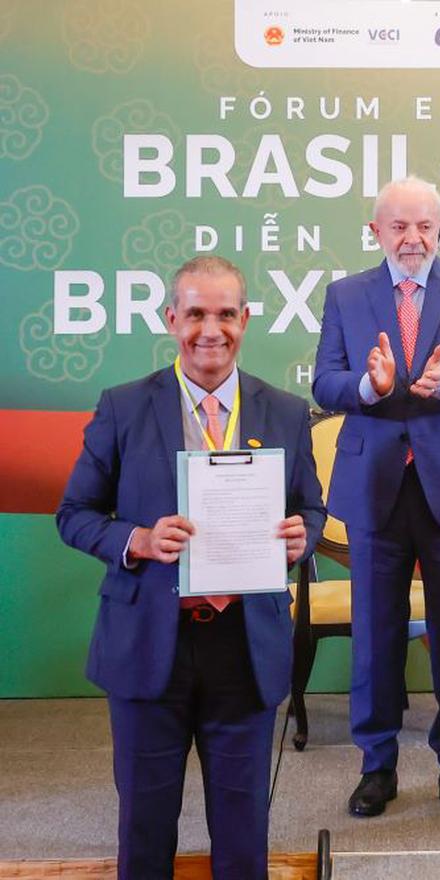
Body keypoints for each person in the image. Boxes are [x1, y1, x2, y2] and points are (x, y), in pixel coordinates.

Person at [56, 256, 325, 879]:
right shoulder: (123, 407)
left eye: (226, 314)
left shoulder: (286, 411)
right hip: (149, 643)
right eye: (196, 313)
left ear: (245, 319)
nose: (211, 330)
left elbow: (310, 507)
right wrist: (138, 539)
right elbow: (74, 514)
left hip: (245, 646)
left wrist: (302, 536)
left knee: (243, 830)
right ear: (171, 319)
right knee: (145, 827)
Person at [312, 176, 440, 820]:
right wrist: (368, 388)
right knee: (375, 633)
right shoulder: (346, 295)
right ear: (376, 232)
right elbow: (325, 381)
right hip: (376, 485)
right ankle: (377, 766)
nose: (413, 238)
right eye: (399, 226)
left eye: (424, 226)